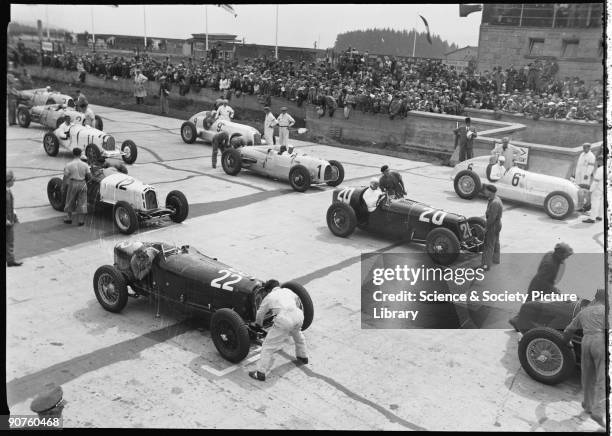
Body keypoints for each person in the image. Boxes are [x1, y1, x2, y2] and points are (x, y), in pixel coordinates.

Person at [248, 279, 308, 382]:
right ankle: (303, 356)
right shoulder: (288, 291)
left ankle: (260, 373)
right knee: (297, 334)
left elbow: (260, 313)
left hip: (285, 319)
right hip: (298, 315)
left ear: (268, 290)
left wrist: (258, 325)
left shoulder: (269, 297)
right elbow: (298, 302)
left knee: (268, 346)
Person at [563, 288, 606, 428]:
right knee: (601, 378)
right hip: (600, 341)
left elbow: (568, 330)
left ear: (595, 298)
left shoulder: (585, 311)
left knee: (587, 375)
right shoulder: (606, 311)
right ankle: (598, 412)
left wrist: (565, 343)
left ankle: (588, 405)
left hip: (586, 341)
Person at [63, 148, 91, 225]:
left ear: (73, 154)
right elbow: (89, 176)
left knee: (70, 200)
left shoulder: (69, 165)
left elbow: (65, 177)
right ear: (80, 154)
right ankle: (81, 221)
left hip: (73, 183)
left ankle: (69, 218)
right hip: (82, 183)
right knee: (82, 202)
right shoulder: (85, 165)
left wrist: (63, 186)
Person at [481, 184, 503, 270]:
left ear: (490, 192)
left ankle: (485, 266)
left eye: (486, 190)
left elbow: (491, 218)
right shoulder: (496, 199)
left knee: (488, 245)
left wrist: (486, 228)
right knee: (496, 242)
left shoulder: (495, 203)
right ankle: (496, 259)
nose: (484, 192)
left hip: (493, 225)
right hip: (497, 224)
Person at [6, 170, 22, 267]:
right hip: (7, 221)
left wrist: (14, 215)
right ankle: (11, 260)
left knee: (10, 241)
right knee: (9, 241)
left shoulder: (8, 190)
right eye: (13, 180)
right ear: (9, 181)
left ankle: (11, 260)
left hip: (9, 220)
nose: (14, 182)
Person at [573, 143, 595, 212]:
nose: (584, 149)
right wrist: (575, 173)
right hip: (578, 175)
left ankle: (585, 206)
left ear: (589, 148)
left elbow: (591, 166)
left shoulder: (591, 156)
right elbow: (578, 165)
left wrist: (587, 174)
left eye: (585, 147)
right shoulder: (581, 154)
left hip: (584, 176)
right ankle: (579, 204)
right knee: (578, 189)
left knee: (583, 191)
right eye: (583, 147)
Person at [583, 155, 603, 223]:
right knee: (601, 203)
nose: (597, 162)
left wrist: (590, 190)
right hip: (603, 189)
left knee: (595, 203)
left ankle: (592, 218)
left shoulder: (600, 169)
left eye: (598, 161)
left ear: (601, 161)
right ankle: (599, 216)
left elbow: (595, 181)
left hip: (597, 189)